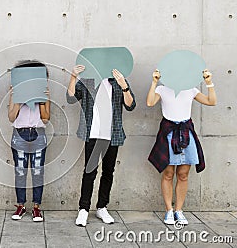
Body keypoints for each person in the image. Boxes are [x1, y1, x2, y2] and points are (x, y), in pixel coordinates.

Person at [67, 65, 136, 227]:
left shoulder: (118, 81)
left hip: (112, 135)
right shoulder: (87, 81)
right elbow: (70, 98)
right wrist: (73, 76)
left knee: (108, 172)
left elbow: (130, 105)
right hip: (92, 134)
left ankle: (102, 207)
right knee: (89, 172)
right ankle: (83, 209)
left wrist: (124, 85)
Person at [147, 69, 216, 225]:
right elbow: (150, 102)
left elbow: (212, 101)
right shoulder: (162, 89)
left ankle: (179, 210)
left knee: (184, 173)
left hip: (186, 131)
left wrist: (208, 82)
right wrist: (154, 82)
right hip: (169, 132)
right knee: (168, 173)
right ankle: (169, 211)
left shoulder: (190, 89)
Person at [8, 61, 50, 222]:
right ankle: (21, 205)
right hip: (19, 134)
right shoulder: (14, 92)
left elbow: (46, 119)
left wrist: (41, 102)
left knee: (38, 172)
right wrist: (18, 100)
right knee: (20, 171)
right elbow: (11, 117)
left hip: (38, 134)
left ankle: (37, 208)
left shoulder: (44, 92)